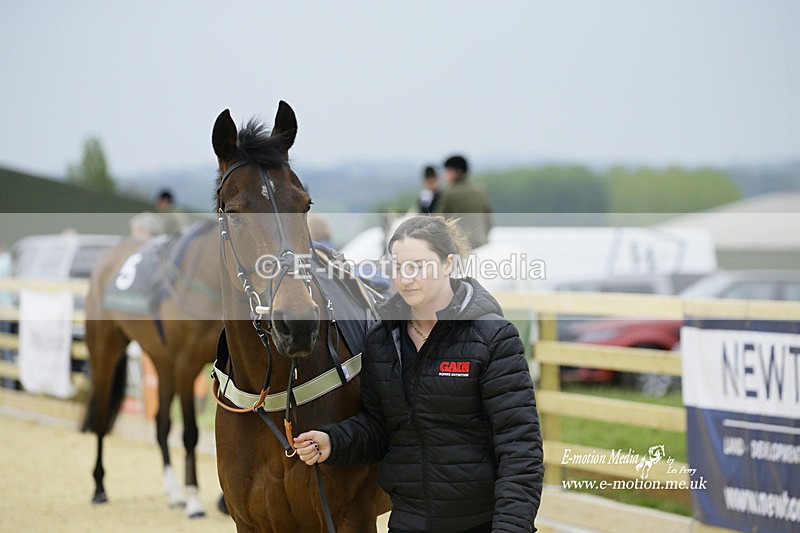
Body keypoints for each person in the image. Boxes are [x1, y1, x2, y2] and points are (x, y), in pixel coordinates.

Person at [295, 216, 543, 533]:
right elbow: (380, 427)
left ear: (448, 264)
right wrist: (334, 441)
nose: (406, 277)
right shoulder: (381, 340)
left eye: (419, 265)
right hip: (408, 521)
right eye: (398, 267)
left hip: (482, 523)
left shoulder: (493, 338)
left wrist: (511, 527)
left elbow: (520, 448)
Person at [435, 154, 493, 249]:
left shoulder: (448, 192)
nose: (445, 175)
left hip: (461, 247)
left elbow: (438, 222)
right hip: (483, 245)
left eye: (448, 171)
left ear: (456, 172)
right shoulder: (480, 191)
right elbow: (489, 222)